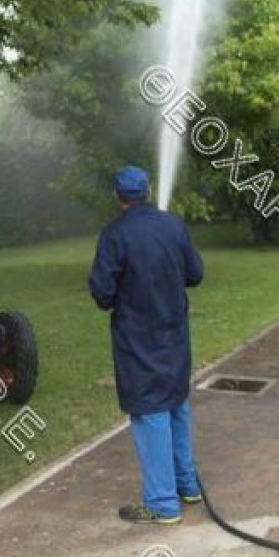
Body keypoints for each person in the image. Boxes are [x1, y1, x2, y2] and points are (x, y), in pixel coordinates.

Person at [88, 165, 204, 525]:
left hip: (138, 340)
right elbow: (195, 274)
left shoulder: (114, 235)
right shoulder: (173, 225)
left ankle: (162, 503)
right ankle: (188, 486)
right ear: (148, 190)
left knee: (150, 412)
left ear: (117, 196)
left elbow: (102, 294)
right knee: (176, 404)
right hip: (174, 335)